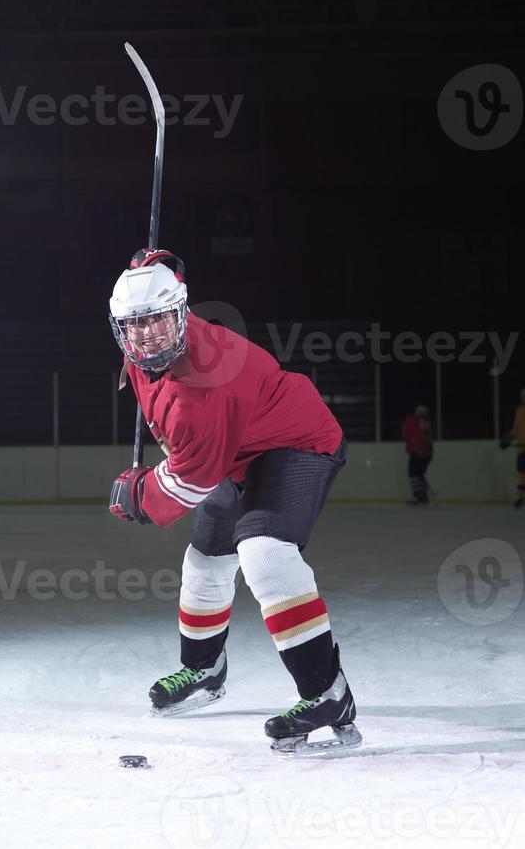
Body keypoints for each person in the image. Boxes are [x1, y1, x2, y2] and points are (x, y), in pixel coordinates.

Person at [107, 248, 360, 753]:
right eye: (136, 325)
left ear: (180, 314)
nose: (148, 335)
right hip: (237, 451)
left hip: (295, 443)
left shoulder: (202, 386)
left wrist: (140, 493)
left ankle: (328, 693)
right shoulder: (152, 342)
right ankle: (203, 669)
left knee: (264, 553)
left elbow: (189, 482)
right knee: (206, 559)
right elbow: (161, 288)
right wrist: (150, 268)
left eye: (158, 321)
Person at [402, 404, 433, 504]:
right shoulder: (427, 422)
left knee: (413, 473)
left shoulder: (411, 419)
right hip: (428, 452)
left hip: (417, 450)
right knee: (419, 473)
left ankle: (418, 496)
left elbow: (406, 433)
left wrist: (407, 445)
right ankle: (423, 495)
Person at [499, 388, 525, 508]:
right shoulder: (519, 411)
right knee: (521, 474)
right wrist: (508, 438)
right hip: (521, 449)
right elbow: (516, 428)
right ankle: (520, 497)